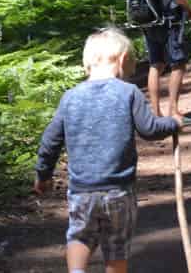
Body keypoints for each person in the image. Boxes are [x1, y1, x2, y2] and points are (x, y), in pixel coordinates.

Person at [34, 27, 179, 273]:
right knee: (116, 246)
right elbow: (150, 129)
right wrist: (173, 123)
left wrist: (43, 174)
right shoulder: (128, 92)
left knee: (79, 236)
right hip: (119, 192)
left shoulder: (70, 97)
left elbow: (51, 140)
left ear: (87, 63)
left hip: (82, 191)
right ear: (122, 60)